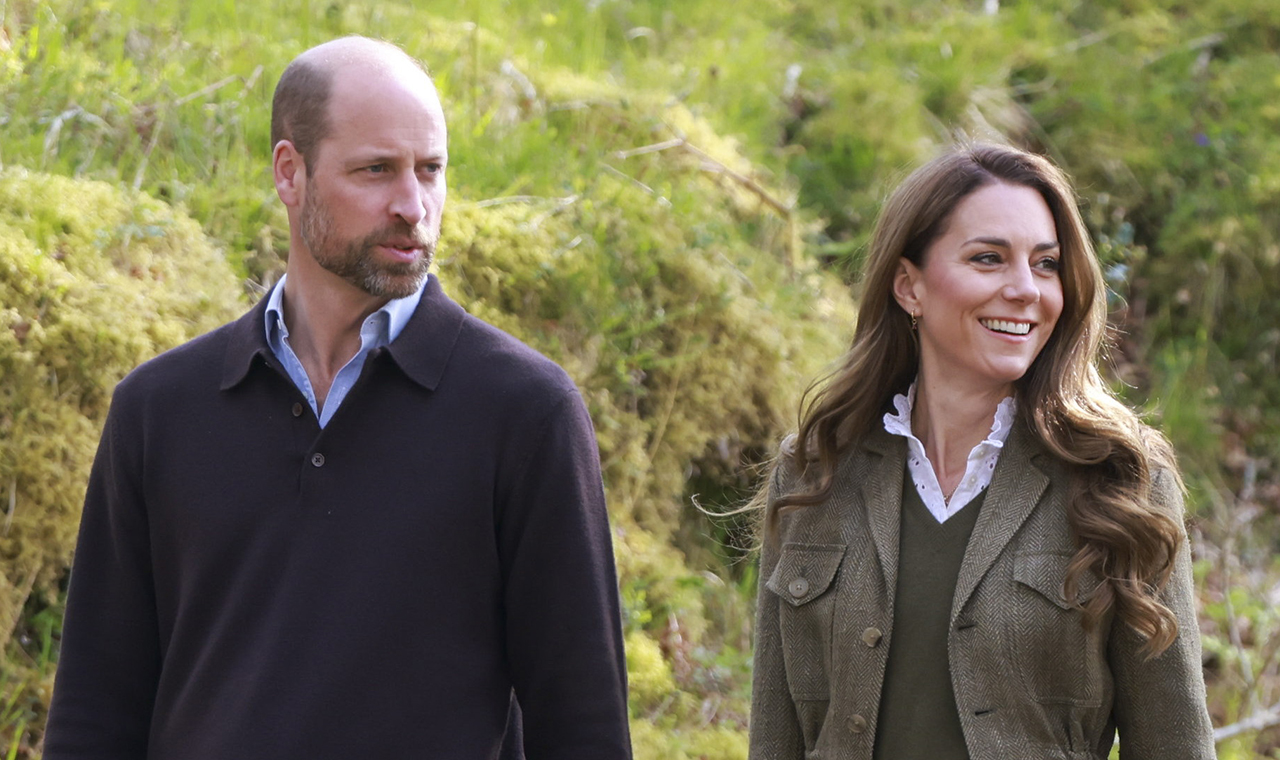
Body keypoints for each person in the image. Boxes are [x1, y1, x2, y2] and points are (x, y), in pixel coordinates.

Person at [45, 36, 631, 760]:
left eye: (432, 170)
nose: (413, 206)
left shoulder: (525, 412)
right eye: (377, 170)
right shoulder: (158, 410)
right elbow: (94, 711)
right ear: (290, 174)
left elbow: (583, 725)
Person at [747, 143, 1216, 759]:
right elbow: (774, 737)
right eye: (989, 258)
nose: (1025, 289)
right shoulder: (815, 471)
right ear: (909, 286)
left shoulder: (1120, 480)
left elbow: (1174, 742)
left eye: (1046, 264)